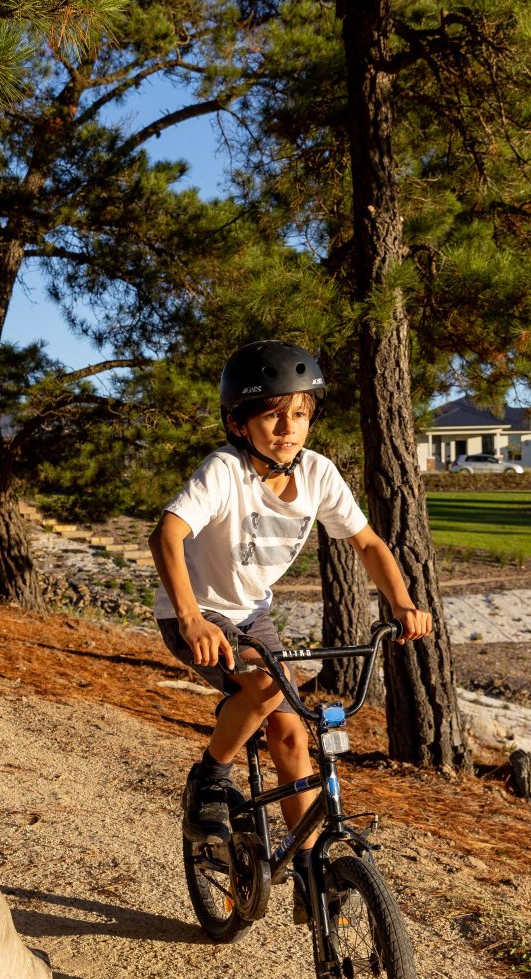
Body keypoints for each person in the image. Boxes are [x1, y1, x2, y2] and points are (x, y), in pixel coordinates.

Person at [148, 339, 433, 918]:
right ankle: (210, 777)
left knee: (294, 737)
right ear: (239, 422)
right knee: (265, 687)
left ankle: (309, 872)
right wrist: (192, 617)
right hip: (194, 611)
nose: (287, 427)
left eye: (299, 413)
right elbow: (167, 534)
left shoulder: (319, 474)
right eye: (272, 414)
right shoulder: (224, 471)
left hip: (253, 615)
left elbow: (368, 543)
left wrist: (403, 603)